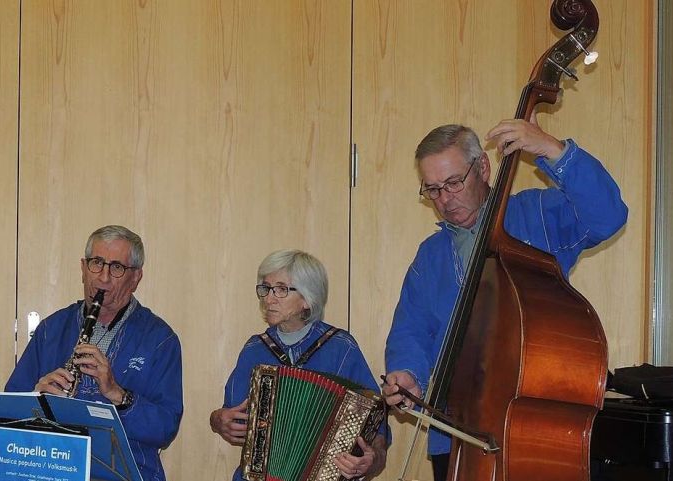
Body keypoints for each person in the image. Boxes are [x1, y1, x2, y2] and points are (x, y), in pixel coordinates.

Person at [381, 118, 628, 481]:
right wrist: (407, 373)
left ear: (482, 167)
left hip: (532, 430)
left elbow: (608, 216)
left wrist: (552, 150)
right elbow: (411, 329)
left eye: (453, 183)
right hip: (456, 434)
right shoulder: (430, 256)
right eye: (432, 190)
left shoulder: (537, 215)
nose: (444, 200)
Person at [5, 225, 184, 481]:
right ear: (83, 268)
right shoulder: (51, 329)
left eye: (117, 267)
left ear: (136, 278)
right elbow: (8, 412)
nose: (103, 277)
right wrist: (37, 397)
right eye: (96, 263)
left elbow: (166, 428)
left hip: (125, 474)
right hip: (53, 468)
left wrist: (118, 394)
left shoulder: (160, 340)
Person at [210, 250, 388, 480]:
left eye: (281, 289)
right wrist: (217, 420)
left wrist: (370, 460)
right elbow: (230, 414)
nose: (269, 298)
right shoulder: (255, 350)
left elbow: (376, 423)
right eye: (266, 288)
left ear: (307, 298)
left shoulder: (341, 348)